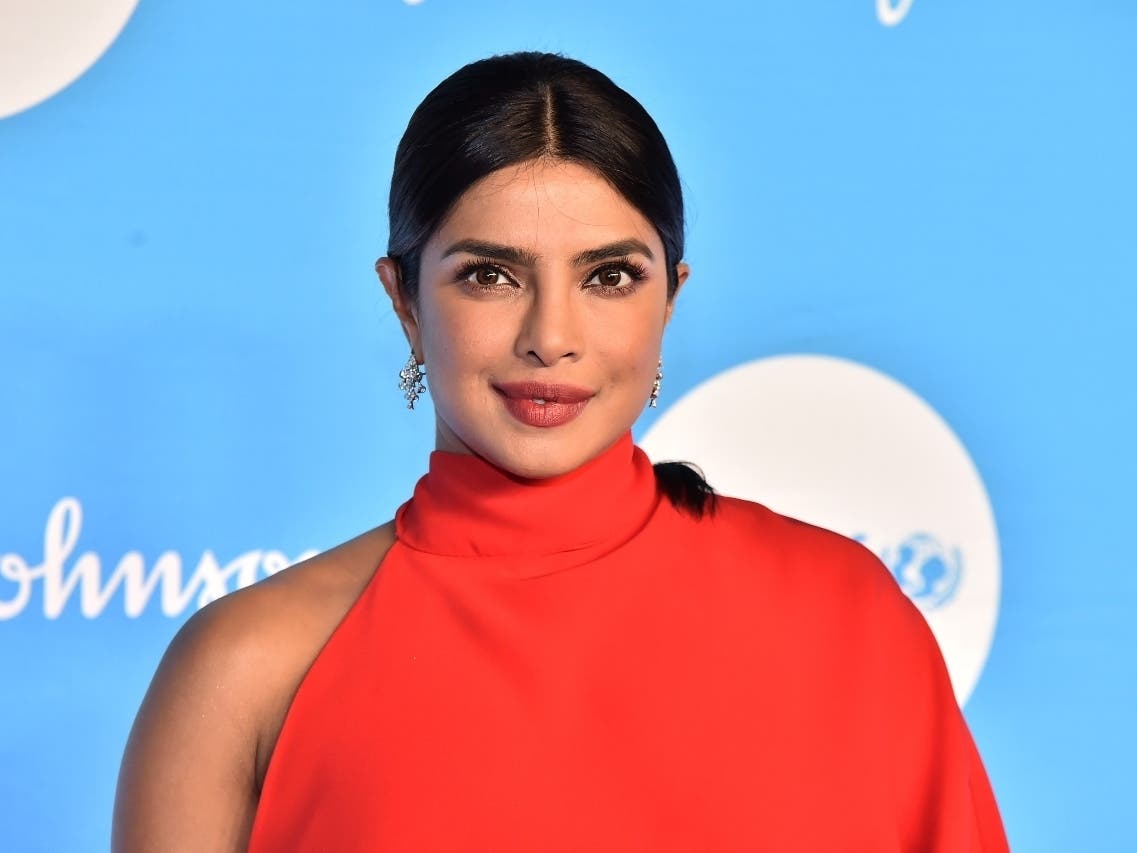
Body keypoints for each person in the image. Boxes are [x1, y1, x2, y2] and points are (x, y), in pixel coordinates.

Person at [112, 51, 1009, 852]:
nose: (552, 335)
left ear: (669, 299)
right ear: (404, 300)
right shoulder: (245, 668)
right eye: (490, 275)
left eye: (609, 276)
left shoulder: (845, 617)